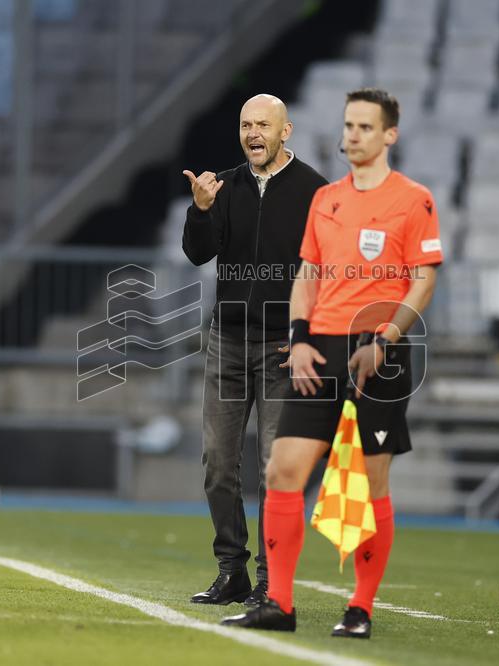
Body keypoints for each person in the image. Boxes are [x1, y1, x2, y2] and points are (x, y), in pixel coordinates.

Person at [221, 88, 442, 637]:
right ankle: (279, 603)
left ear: (390, 134)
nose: (352, 136)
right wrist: (298, 338)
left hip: (380, 353)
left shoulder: (414, 200)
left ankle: (360, 608)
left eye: (365, 127)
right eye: (348, 126)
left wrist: (388, 336)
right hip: (320, 347)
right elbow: (307, 275)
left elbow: (424, 277)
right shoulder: (327, 199)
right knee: (281, 471)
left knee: (371, 484)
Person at [182, 94, 327, 608]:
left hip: (284, 348)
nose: (253, 132)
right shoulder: (221, 187)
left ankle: (271, 578)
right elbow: (198, 252)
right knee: (217, 461)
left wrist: (309, 335)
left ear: (286, 131)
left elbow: (328, 273)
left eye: (263, 124)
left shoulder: (316, 192)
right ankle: (232, 571)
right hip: (228, 342)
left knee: (276, 470)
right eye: (245, 125)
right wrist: (200, 210)